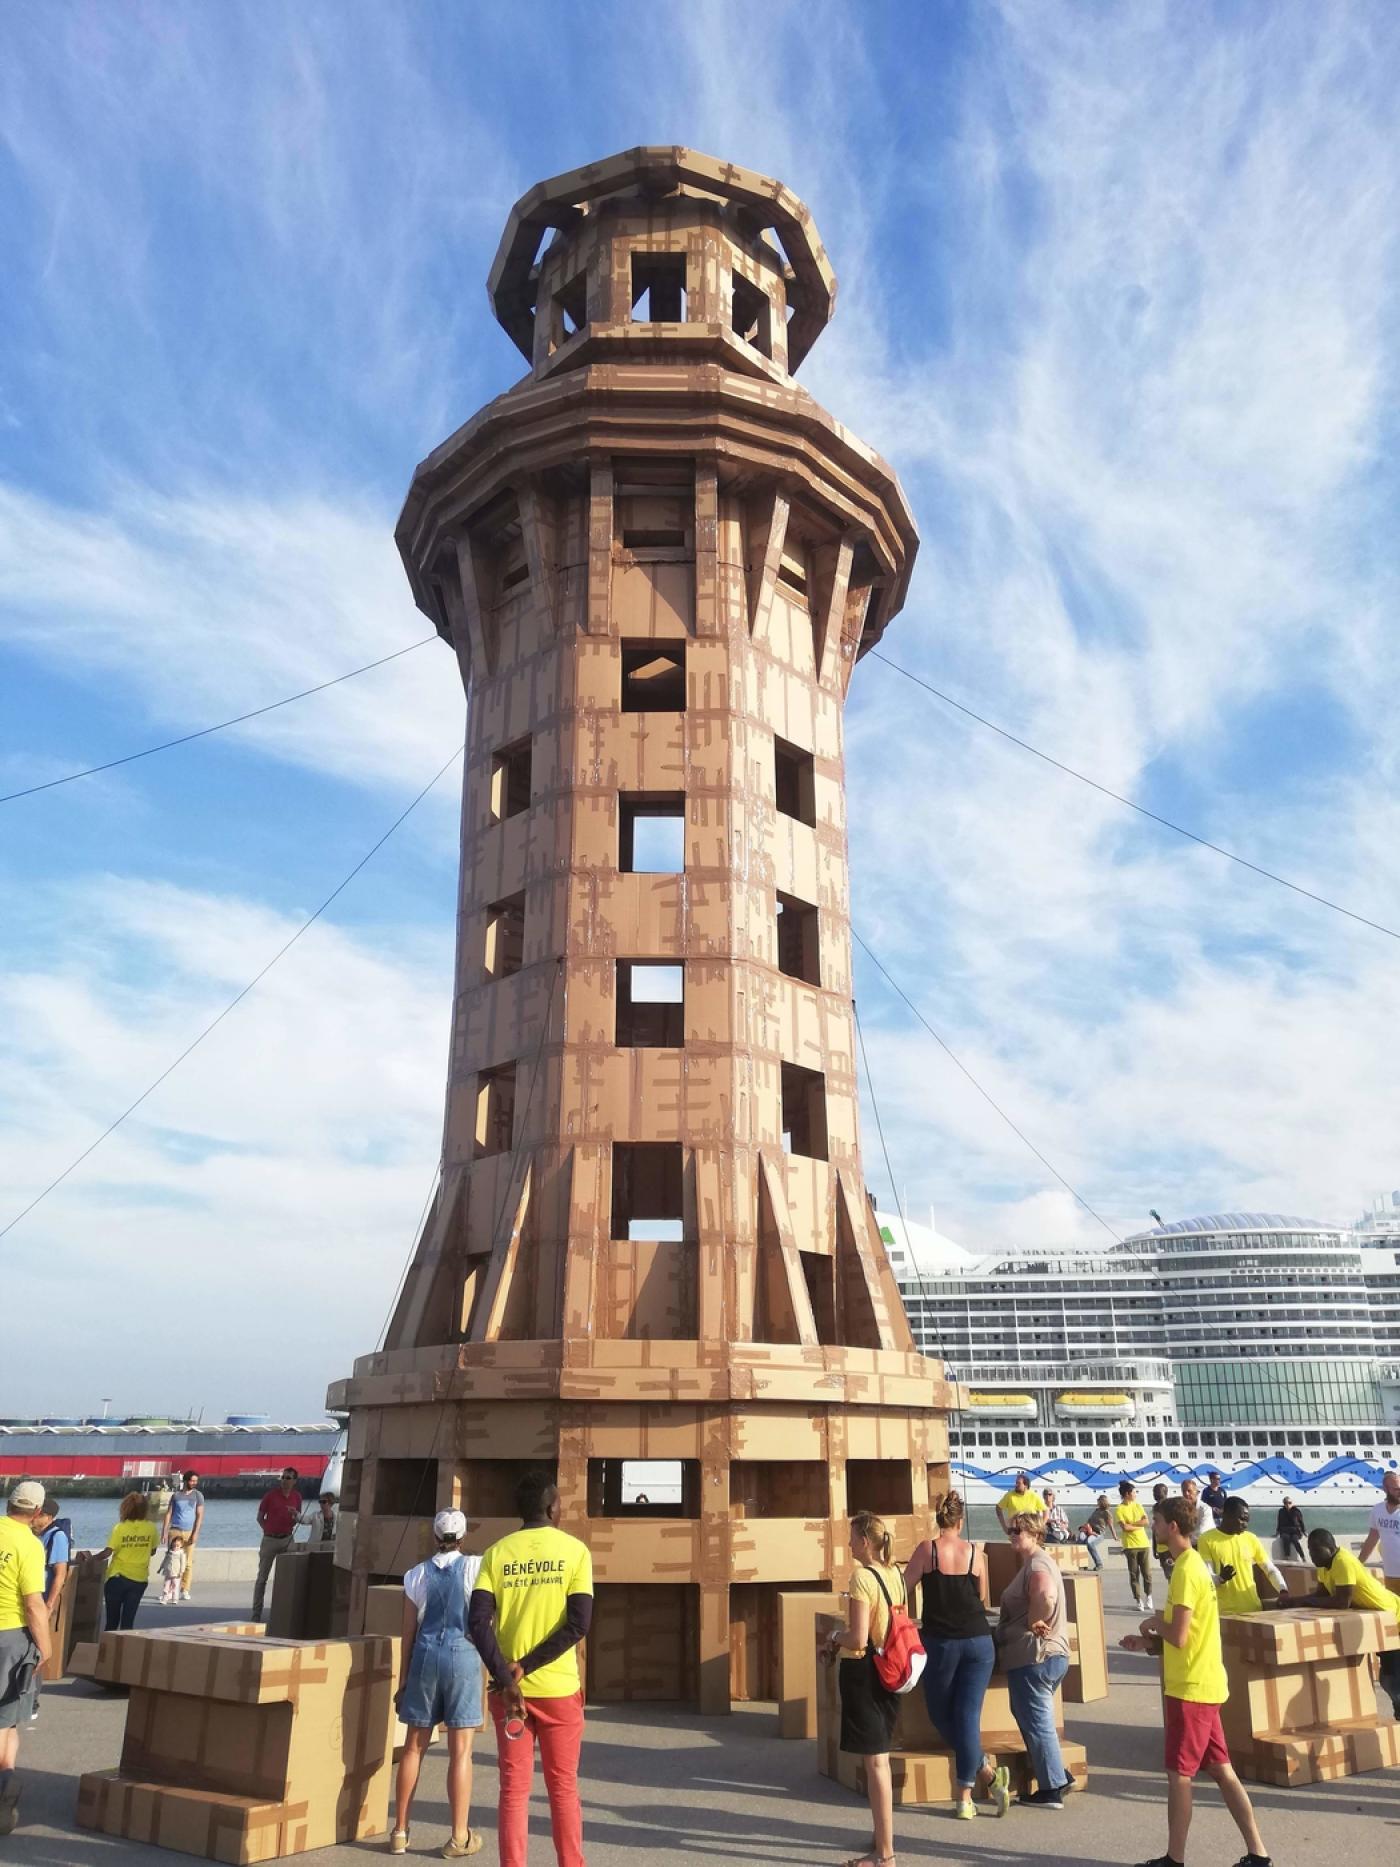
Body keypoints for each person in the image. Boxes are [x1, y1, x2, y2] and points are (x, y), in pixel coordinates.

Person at [1121, 1497, 1273, 1867]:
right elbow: (1187, 1636)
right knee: (1221, 1770)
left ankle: (1175, 1859)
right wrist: (1149, 1643)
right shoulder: (1192, 1566)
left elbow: (1181, 1634)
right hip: (1202, 1682)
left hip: (1191, 1689)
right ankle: (1258, 1854)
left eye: (1155, 1521)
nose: (1151, 1526)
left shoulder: (1187, 1569)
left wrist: (1154, 1624)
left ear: (1173, 1526)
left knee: (1180, 1775)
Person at [468, 1472, 592, 1867]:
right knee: (562, 1788)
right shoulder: (576, 1552)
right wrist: (528, 1666)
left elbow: (477, 1623)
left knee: (513, 1791)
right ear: (553, 1507)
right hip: (558, 1690)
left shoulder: (496, 1554)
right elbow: (578, 1624)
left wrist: (506, 1677)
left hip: (510, 1697)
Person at [904, 1492, 1007, 1820]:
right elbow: (984, 1597)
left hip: (941, 1642)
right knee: (966, 1715)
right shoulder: (977, 1552)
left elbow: (902, 1589)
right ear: (960, 1522)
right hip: (979, 1641)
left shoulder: (927, 1550)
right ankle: (973, 1788)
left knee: (939, 1712)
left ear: (939, 1519)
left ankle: (975, 1786)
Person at [390, 1508, 485, 1858]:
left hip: (425, 1656)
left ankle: (400, 1830)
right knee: (461, 1752)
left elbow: (406, 1634)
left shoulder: (415, 1576)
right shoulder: (475, 1568)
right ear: (462, 1537)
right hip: (463, 1656)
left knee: (414, 1747)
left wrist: (403, 1681)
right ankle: (459, 1835)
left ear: (434, 1537)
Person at [819, 1510, 905, 1866]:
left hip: (866, 1674)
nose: (849, 1542)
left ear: (865, 1542)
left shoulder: (861, 1578)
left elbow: (857, 1635)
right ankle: (881, 1836)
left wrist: (833, 1637)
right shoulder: (894, 1573)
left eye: (853, 1536)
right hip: (892, 1670)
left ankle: (884, 1855)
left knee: (876, 1764)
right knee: (879, 1757)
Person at [996, 1511, 1072, 1809]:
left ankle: (1053, 1786)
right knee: (1031, 1714)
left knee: (1036, 1719)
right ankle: (1058, 1774)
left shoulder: (1038, 1564)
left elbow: (1045, 1593)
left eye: (1019, 1531)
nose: (1012, 1534)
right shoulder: (1035, 1562)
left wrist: (1033, 1620)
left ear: (1035, 1534)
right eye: (1012, 1529)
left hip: (1036, 1656)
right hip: (1047, 1655)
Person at [1284, 1529, 1400, 1716]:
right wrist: (1294, 1602)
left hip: (1392, 1618)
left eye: (1315, 1550)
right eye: (1310, 1549)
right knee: (1389, 1678)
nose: (1312, 1554)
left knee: (1392, 1678)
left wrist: (1306, 1602)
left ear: (1330, 1548)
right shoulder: (1324, 1566)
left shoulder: (1342, 1562)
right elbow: (1321, 1595)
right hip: (1374, 1621)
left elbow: (1341, 1602)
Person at [1, 1480, 53, 1835]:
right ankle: (4, 1787)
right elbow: (34, 1604)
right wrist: (46, 1647)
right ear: (36, 1512)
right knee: (7, 1718)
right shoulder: (29, 1545)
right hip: (10, 1636)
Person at [1199, 1500, 1284, 1616]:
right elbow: (1206, 1579)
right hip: (1224, 1614)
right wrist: (1221, 1578)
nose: (1245, 1524)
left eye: (1247, 1520)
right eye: (1241, 1519)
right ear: (1226, 1515)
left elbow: (1269, 1569)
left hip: (1253, 1610)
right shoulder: (1206, 1540)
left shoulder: (1251, 1539)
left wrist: (1283, 1590)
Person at [97, 1492, 159, 1631]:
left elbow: (108, 1551)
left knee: (112, 1622)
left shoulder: (120, 1528)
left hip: (118, 1577)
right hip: (139, 1579)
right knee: (128, 1622)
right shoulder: (151, 1528)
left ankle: (109, 1650)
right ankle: (124, 1649)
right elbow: (153, 1551)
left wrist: (92, 1559)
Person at [252, 1467, 302, 1620]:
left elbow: (298, 1517)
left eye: (288, 1478)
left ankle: (283, 1613)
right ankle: (256, 1614)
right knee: (262, 1579)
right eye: (283, 1477)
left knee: (288, 1579)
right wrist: (267, 1529)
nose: (285, 1481)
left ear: (294, 1481)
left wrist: (295, 1515)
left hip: (287, 1539)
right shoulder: (270, 1496)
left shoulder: (297, 1497)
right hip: (270, 1540)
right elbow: (260, 1517)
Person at [160, 1471, 204, 1600]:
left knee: (188, 1563)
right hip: (175, 1530)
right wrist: (164, 1532)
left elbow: (200, 1516)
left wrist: (195, 1533)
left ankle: (185, 1589)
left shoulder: (198, 1496)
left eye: (196, 1481)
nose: (194, 1483)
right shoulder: (176, 1496)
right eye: (192, 1481)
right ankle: (168, 1591)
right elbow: (168, 1514)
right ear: (185, 1481)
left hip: (189, 1531)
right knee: (171, 1561)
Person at [1113, 1480, 1154, 1610]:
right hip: (1130, 1546)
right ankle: (1138, 1599)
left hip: (1143, 1543)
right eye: (1134, 1492)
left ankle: (1149, 1596)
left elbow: (1146, 1521)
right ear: (1127, 1494)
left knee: (1147, 1573)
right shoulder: (1119, 1509)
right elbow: (1124, 1527)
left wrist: (1133, 1525)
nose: (1135, 1494)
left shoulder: (1138, 1505)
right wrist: (1138, 1524)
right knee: (1134, 1574)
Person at [1358, 1468, 1400, 1593]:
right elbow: (1372, 1539)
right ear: (1385, 1489)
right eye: (1396, 1489)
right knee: (1394, 1610)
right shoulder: (1377, 1510)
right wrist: (1358, 1564)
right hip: (1390, 1573)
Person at [1075, 1494, 1111, 1572]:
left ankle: (1099, 1564)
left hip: (1098, 1533)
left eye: (1099, 1501)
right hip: (1089, 1530)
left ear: (1103, 1502)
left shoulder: (1106, 1513)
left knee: (1089, 1542)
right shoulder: (1096, 1510)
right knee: (1081, 1539)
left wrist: (1114, 1536)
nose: (1097, 1502)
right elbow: (1089, 1521)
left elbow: (1110, 1525)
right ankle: (1082, 1564)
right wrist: (1088, 1529)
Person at [1151, 1483, 1174, 1586]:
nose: (1154, 1494)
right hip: (1160, 1548)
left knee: (1173, 1576)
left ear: (1165, 1492)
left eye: (1156, 1491)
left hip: (1170, 1549)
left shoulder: (1170, 1506)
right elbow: (1154, 1529)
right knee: (1168, 1576)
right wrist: (1154, 1547)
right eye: (1153, 1492)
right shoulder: (1155, 1507)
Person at [158, 1535, 188, 1606]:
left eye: (177, 1545)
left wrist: (181, 1572)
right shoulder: (169, 1553)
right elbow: (165, 1561)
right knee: (166, 1586)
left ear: (181, 1546)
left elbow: (183, 1563)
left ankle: (175, 1599)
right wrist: (160, 1568)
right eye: (174, 1545)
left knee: (175, 1586)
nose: (175, 1547)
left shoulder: (181, 1554)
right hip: (168, 1572)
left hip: (176, 1573)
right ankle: (164, 1599)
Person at [1274, 1497, 1305, 1564]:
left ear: (1292, 1503)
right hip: (1285, 1530)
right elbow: (1279, 1522)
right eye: (1285, 1503)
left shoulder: (1296, 1511)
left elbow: (1301, 1522)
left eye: (1289, 1503)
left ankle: (1303, 1557)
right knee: (1285, 1538)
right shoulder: (1281, 1511)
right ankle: (1287, 1556)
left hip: (1295, 1531)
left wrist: (1304, 1531)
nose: (1288, 1505)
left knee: (1295, 1540)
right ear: (1284, 1504)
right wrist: (1277, 1532)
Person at [1180, 1477, 1209, 1544]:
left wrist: (1184, 1540)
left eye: (1189, 1491)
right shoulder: (1182, 1508)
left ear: (1196, 1491)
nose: (1186, 1494)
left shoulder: (1205, 1509)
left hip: (1203, 1545)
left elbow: (1202, 1531)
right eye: (1183, 1491)